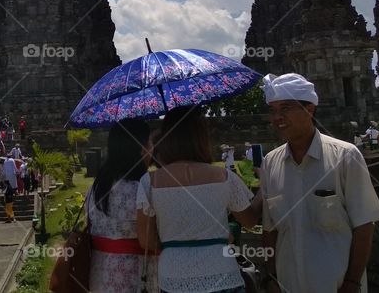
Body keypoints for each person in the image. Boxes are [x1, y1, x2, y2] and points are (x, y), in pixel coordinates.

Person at [260, 73, 379, 293]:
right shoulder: (271, 163)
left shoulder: (345, 156)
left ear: (309, 110)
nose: (277, 117)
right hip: (287, 285)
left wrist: (352, 282)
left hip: (336, 285)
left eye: (286, 108)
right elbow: (270, 229)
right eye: (273, 110)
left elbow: (365, 224)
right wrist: (271, 278)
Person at [136, 107, 259, 293]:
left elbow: (146, 240)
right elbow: (250, 220)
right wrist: (264, 191)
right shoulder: (224, 176)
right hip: (222, 272)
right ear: (202, 137)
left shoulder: (149, 182)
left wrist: (178, 244)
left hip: (173, 276)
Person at [88, 119, 159, 292]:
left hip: (100, 275)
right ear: (141, 148)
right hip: (135, 277)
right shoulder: (142, 188)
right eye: (150, 142)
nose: (153, 148)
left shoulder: (96, 188)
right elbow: (150, 241)